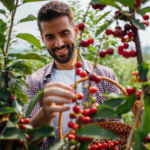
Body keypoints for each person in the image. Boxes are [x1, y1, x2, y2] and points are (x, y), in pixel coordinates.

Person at [23, 1, 120, 149]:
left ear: (75, 31)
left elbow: (118, 135)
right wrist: (45, 114)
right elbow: (26, 143)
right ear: (43, 39)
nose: (59, 43)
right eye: (50, 37)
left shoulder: (104, 77)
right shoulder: (34, 82)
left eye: (64, 33)